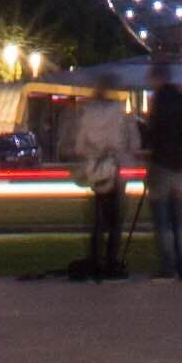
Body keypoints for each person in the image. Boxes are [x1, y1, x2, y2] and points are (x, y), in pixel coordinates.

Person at [61, 87, 138, 280]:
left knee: (98, 221)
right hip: (114, 171)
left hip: (96, 172)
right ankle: (111, 263)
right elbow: (132, 143)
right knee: (115, 221)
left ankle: (95, 261)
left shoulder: (88, 116)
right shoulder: (118, 115)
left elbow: (79, 146)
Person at [141, 63, 182, 281]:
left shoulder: (159, 102)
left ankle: (168, 266)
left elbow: (153, 135)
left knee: (162, 218)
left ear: (157, 79)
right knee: (178, 218)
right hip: (179, 164)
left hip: (161, 163)